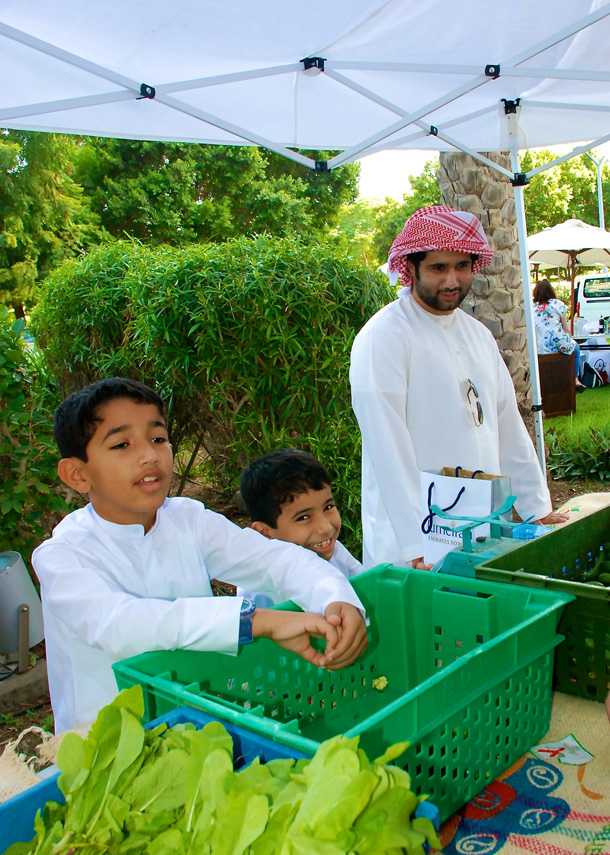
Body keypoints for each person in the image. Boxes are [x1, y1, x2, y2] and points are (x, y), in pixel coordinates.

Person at [32, 378, 368, 732]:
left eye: (158, 438)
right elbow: (120, 625)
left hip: (195, 724)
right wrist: (256, 621)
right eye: (122, 444)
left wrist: (336, 599)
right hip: (105, 746)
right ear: (77, 474)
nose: (149, 455)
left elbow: (277, 560)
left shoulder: (188, 520)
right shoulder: (62, 556)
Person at [349, 205, 567, 570]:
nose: (452, 281)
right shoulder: (384, 335)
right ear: (411, 267)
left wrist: (535, 509)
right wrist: (416, 542)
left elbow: (506, 424)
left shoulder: (478, 334)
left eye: (461, 267)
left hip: (480, 524)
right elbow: (386, 445)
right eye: (438, 268)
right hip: (412, 541)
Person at [238, 449, 363, 609]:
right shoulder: (261, 593)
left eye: (328, 506)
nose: (325, 527)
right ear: (264, 532)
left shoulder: (336, 553)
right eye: (303, 517)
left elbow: (368, 588)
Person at [533, 279, 586, 392]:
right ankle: (575, 379)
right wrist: (572, 340)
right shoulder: (558, 304)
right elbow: (565, 328)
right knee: (575, 350)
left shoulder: (532, 306)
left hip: (538, 346)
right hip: (556, 341)